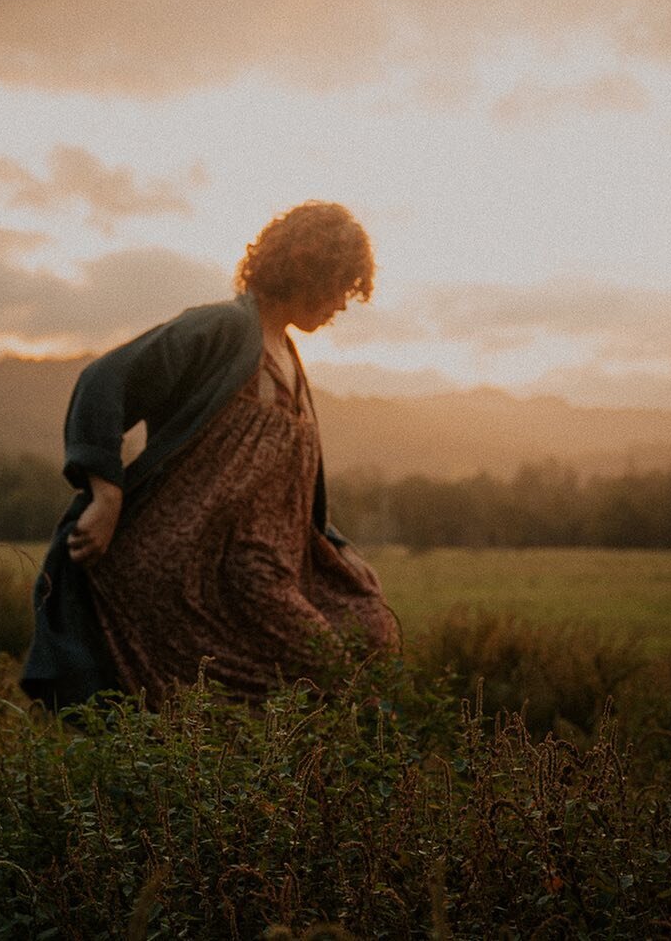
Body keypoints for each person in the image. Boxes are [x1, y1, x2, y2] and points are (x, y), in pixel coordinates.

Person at [20, 201, 399, 711]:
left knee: (370, 627)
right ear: (308, 268)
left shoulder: (289, 355)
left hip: (273, 560)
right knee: (328, 668)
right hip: (206, 561)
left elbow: (287, 484)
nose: (341, 305)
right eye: (339, 286)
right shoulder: (222, 329)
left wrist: (334, 544)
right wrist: (106, 493)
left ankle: (285, 782)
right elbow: (105, 380)